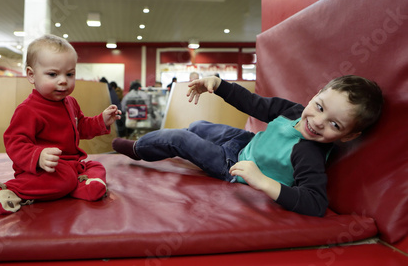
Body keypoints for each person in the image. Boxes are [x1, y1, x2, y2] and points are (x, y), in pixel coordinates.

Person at [112, 75, 383, 217]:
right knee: (197, 126)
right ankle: (159, 143)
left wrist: (263, 182)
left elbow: (315, 203)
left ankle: (139, 149)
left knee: (180, 139)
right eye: (319, 107)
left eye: (335, 125)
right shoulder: (293, 111)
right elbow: (254, 103)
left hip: (235, 166)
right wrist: (218, 85)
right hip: (245, 143)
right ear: (315, 95)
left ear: (347, 136)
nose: (318, 121)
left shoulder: (308, 152)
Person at [0, 34, 121, 215]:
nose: (63, 81)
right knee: (65, 179)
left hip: (72, 165)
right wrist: (38, 156)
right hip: (44, 170)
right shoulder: (28, 109)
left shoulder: (71, 103)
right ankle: (10, 190)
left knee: (95, 166)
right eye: (53, 74)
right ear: (31, 75)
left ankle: (80, 185)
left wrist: (101, 121)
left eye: (70, 74)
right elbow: (14, 142)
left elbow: (81, 126)